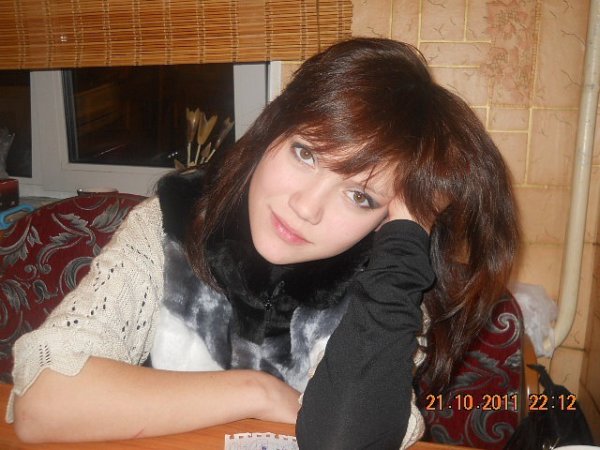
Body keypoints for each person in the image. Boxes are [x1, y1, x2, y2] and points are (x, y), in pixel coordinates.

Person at [8, 38, 519, 448]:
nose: (306, 207)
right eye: (305, 153)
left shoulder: (383, 280)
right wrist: (257, 391)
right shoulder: (168, 225)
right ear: (272, 128)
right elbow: (43, 403)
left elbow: (346, 439)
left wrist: (406, 244)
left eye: (360, 196)